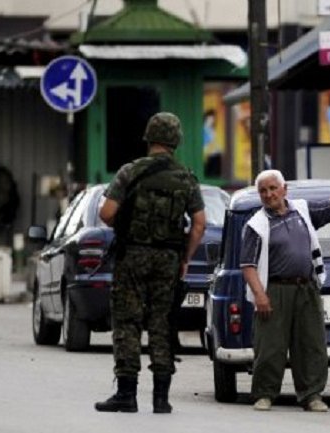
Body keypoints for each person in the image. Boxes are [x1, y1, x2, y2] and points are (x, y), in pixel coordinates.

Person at [240, 169, 330, 412]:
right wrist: (260, 295)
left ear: (284, 189)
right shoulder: (256, 225)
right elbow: (248, 265)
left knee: (311, 343)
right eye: (263, 191)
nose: (269, 194)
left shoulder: (302, 210)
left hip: (307, 287)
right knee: (270, 346)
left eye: (272, 188)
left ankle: (311, 395)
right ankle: (264, 394)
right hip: (275, 290)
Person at [96, 112, 206, 414]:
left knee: (127, 321)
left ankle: (127, 394)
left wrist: (128, 226)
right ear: (176, 141)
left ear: (149, 138)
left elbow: (106, 213)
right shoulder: (186, 177)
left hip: (132, 255)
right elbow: (199, 223)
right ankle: (161, 398)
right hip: (169, 259)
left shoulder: (129, 172)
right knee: (162, 322)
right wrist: (185, 257)